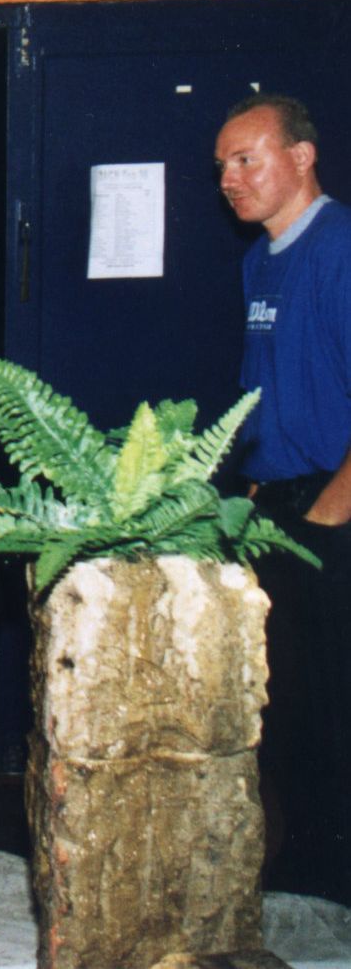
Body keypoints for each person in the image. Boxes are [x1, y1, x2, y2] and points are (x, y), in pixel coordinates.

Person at [217, 94, 351, 903]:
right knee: (284, 708)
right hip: (272, 508)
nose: (228, 180)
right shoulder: (258, 262)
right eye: (221, 167)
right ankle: (306, 882)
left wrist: (328, 513)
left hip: (328, 507)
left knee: (335, 710)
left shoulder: (339, 247)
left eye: (246, 159)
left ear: (300, 157)